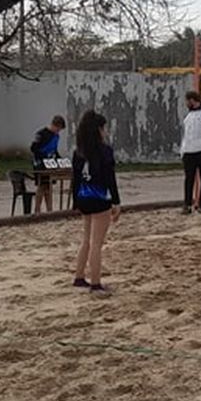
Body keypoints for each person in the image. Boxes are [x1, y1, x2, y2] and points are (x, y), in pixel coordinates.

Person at [71, 110, 120, 296]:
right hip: (100, 198)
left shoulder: (78, 152)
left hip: (83, 197)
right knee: (97, 243)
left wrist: (75, 201)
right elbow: (110, 179)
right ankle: (96, 283)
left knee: (86, 240)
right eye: (104, 128)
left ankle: (79, 276)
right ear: (98, 130)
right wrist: (116, 201)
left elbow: (75, 179)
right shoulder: (105, 151)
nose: (105, 131)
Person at [30, 114, 66, 214]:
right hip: (40, 163)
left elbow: (54, 150)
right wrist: (43, 157)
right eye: (58, 129)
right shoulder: (41, 134)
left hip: (50, 163)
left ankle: (49, 209)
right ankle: (37, 209)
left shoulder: (56, 136)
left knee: (49, 186)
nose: (58, 132)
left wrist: (60, 160)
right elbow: (33, 148)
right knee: (41, 186)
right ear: (55, 125)